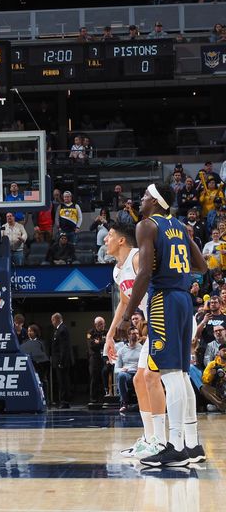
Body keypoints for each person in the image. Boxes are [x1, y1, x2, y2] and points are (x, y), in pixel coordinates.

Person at [124, 183, 207, 467]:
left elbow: (145, 272)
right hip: (185, 299)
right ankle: (193, 444)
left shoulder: (147, 225)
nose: (141, 200)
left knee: (170, 374)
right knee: (182, 374)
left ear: (157, 201)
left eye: (145, 196)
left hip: (164, 300)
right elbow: (202, 266)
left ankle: (175, 447)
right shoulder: (180, 227)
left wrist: (128, 315)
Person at [103, 222, 166, 459]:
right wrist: (110, 335)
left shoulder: (137, 257)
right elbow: (123, 302)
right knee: (140, 380)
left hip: (164, 320)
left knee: (151, 377)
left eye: (109, 236)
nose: (105, 240)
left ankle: (160, 441)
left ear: (121, 240)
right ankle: (150, 438)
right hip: (154, 326)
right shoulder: (117, 270)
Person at [116, 327, 142, 412]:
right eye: (133, 333)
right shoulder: (122, 350)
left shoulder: (142, 349)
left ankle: (142, 403)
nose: (135, 335)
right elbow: (116, 369)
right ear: (128, 336)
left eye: (137, 333)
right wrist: (121, 369)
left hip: (139, 372)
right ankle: (124, 403)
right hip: (127, 373)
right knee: (121, 375)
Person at [50, 312, 72, 408]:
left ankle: (64, 401)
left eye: (53, 320)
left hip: (61, 362)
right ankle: (63, 401)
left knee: (63, 382)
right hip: (59, 361)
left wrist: (61, 362)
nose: (52, 323)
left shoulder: (62, 330)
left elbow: (63, 348)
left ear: (57, 319)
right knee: (62, 381)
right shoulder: (59, 330)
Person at [87, 316, 106, 404]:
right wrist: (102, 343)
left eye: (103, 323)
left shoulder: (107, 332)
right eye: (99, 324)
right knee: (94, 379)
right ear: (95, 325)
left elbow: (108, 344)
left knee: (103, 378)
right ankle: (93, 399)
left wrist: (100, 342)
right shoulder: (90, 333)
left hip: (104, 358)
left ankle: (103, 398)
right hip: (94, 358)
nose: (102, 325)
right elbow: (91, 345)